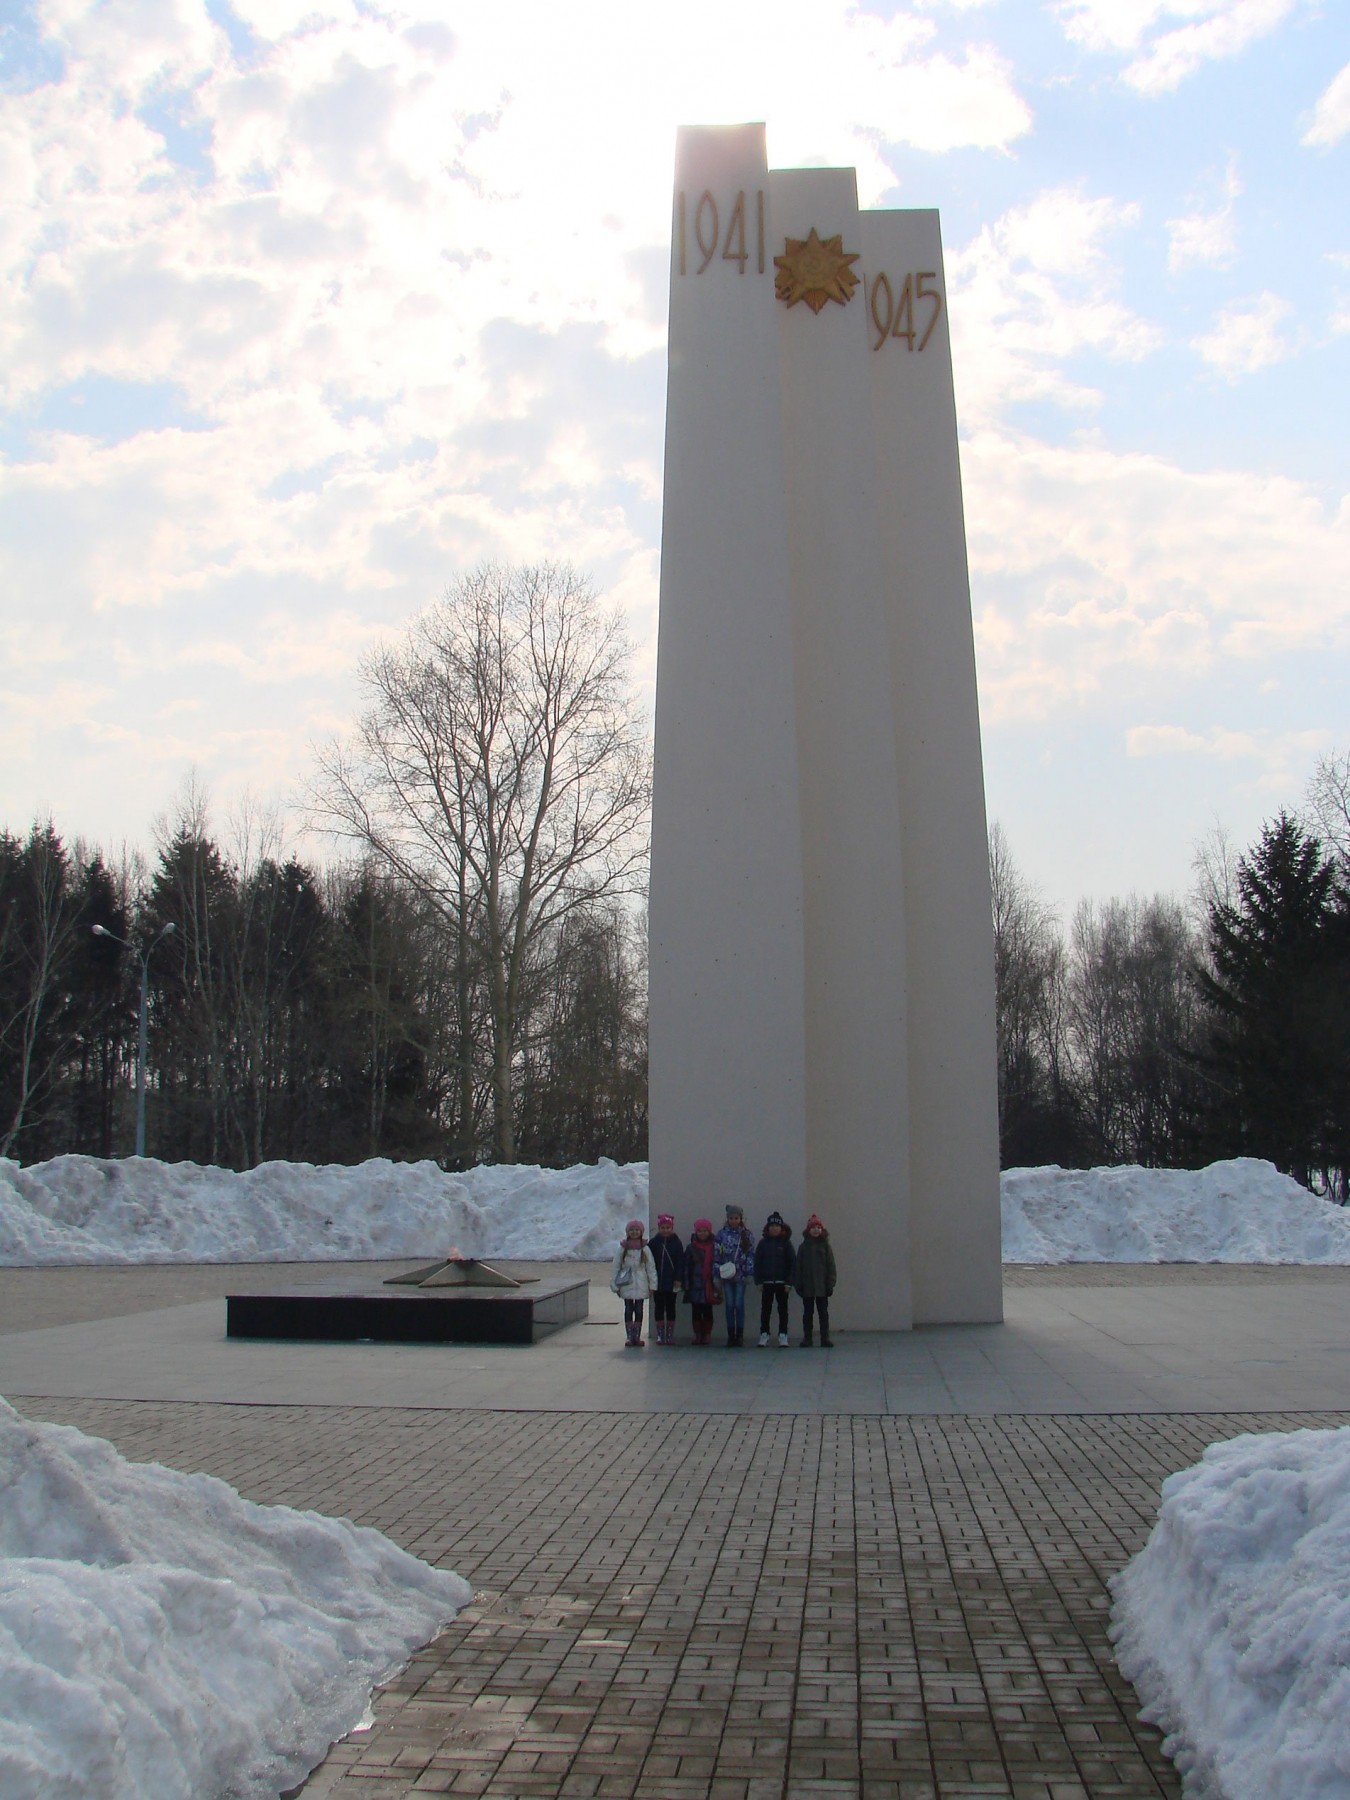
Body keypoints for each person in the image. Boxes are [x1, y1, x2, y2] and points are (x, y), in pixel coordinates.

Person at [610, 1219, 657, 1348]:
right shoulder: (623, 1247)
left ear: (641, 1232)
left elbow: (651, 1267)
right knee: (629, 1309)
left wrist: (653, 1285)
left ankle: (637, 1336)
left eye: (637, 1230)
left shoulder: (645, 1248)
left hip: (641, 1282)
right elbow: (616, 1266)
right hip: (627, 1283)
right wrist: (614, 1284)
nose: (634, 1232)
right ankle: (630, 1336)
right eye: (632, 1230)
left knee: (639, 1309)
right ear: (627, 1232)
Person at [713, 1204, 756, 1347]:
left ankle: (740, 1335)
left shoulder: (746, 1234)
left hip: (741, 1276)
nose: (733, 1220)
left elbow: (750, 1254)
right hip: (726, 1276)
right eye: (731, 1218)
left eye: (736, 1218)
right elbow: (717, 1255)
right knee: (729, 1305)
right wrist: (717, 1274)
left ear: (741, 1218)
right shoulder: (721, 1235)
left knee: (739, 1304)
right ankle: (731, 1335)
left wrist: (749, 1273)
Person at [753, 1210, 796, 1346]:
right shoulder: (762, 1244)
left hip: (782, 1283)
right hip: (766, 1283)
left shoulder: (786, 1244)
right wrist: (758, 1281)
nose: (774, 1228)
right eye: (771, 1226)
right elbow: (757, 1263)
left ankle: (783, 1335)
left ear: (782, 1228)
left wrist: (789, 1282)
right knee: (766, 1310)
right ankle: (764, 1334)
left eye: (777, 1226)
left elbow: (792, 1264)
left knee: (782, 1310)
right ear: (767, 1228)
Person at [794, 1212, 836, 1346]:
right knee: (808, 1314)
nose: (816, 1230)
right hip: (807, 1287)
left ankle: (825, 1337)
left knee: (823, 1314)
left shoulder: (826, 1247)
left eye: (818, 1227)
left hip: (822, 1287)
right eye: (813, 1227)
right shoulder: (803, 1247)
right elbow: (798, 1267)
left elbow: (831, 1267)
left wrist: (830, 1284)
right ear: (808, 1230)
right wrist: (798, 1284)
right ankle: (808, 1338)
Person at [682, 1218, 721, 1346]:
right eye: (700, 1231)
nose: (702, 1233)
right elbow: (686, 1266)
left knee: (708, 1310)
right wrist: (686, 1282)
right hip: (695, 1284)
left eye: (705, 1230)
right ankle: (698, 1334)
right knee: (696, 1311)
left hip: (709, 1284)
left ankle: (707, 1334)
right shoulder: (691, 1248)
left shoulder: (715, 1247)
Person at [649, 1211, 684, 1345]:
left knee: (670, 1307)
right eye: (663, 1228)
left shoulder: (676, 1243)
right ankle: (660, 1334)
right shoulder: (653, 1243)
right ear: (659, 1228)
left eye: (668, 1227)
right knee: (658, 1306)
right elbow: (649, 1262)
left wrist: (678, 1278)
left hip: (671, 1281)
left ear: (672, 1228)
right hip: (657, 1281)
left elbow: (680, 1261)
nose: (665, 1230)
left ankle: (669, 1334)